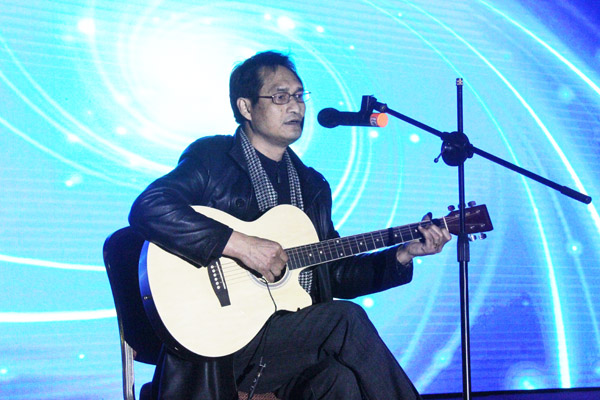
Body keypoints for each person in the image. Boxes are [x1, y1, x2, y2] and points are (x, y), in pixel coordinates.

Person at [129, 50, 451, 400]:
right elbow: (150, 207)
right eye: (280, 97)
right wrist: (242, 245)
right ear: (246, 107)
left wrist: (403, 254)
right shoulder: (213, 159)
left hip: (286, 347)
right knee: (345, 319)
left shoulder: (312, 186)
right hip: (221, 343)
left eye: (299, 96)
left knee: (340, 380)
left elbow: (335, 274)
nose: (296, 106)